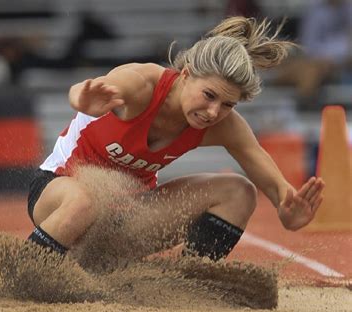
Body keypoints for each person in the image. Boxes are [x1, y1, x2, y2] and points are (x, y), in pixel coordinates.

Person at [26, 17, 325, 261]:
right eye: (209, 95)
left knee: (240, 192)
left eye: (227, 105)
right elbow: (88, 88)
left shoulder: (224, 125)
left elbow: (277, 188)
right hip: (58, 193)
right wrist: (80, 97)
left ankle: (185, 286)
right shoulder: (141, 85)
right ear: (186, 74)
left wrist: (288, 209)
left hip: (124, 220)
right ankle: (25, 274)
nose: (213, 112)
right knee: (85, 201)